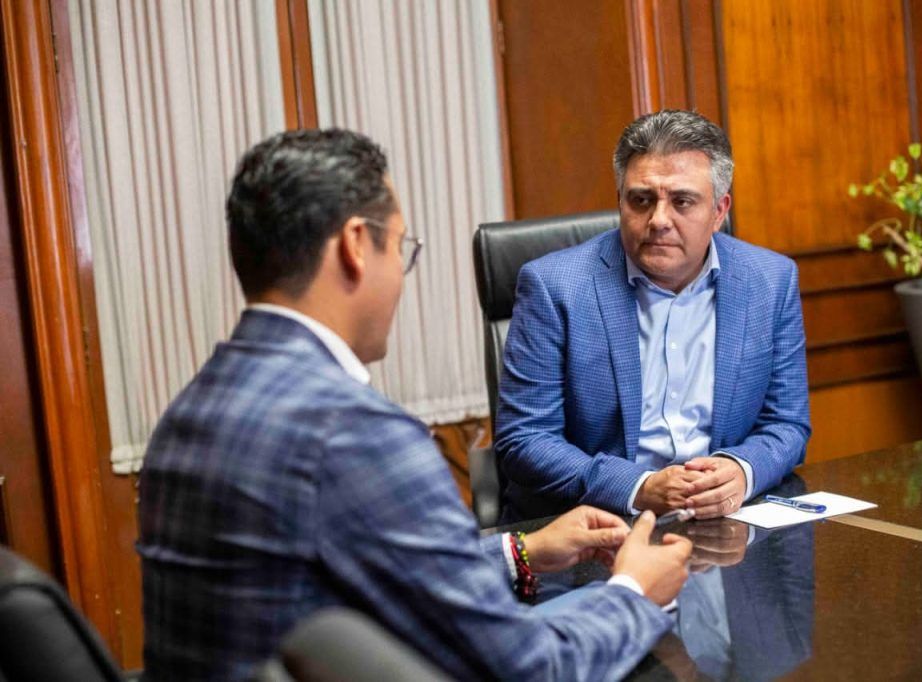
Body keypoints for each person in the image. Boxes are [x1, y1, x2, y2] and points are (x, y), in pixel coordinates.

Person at [136, 129, 693, 681]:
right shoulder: (355, 432)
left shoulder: (189, 412)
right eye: (401, 248)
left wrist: (521, 551)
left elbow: (336, 585)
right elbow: (532, 668)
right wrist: (634, 593)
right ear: (356, 245)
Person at [495, 109, 811, 522]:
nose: (659, 220)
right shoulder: (554, 286)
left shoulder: (770, 280)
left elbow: (787, 424)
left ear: (719, 211)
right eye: (641, 200)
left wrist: (742, 470)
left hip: (721, 520)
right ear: (620, 202)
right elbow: (525, 439)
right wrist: (638, 487)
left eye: (682, 201)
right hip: (596, 523)